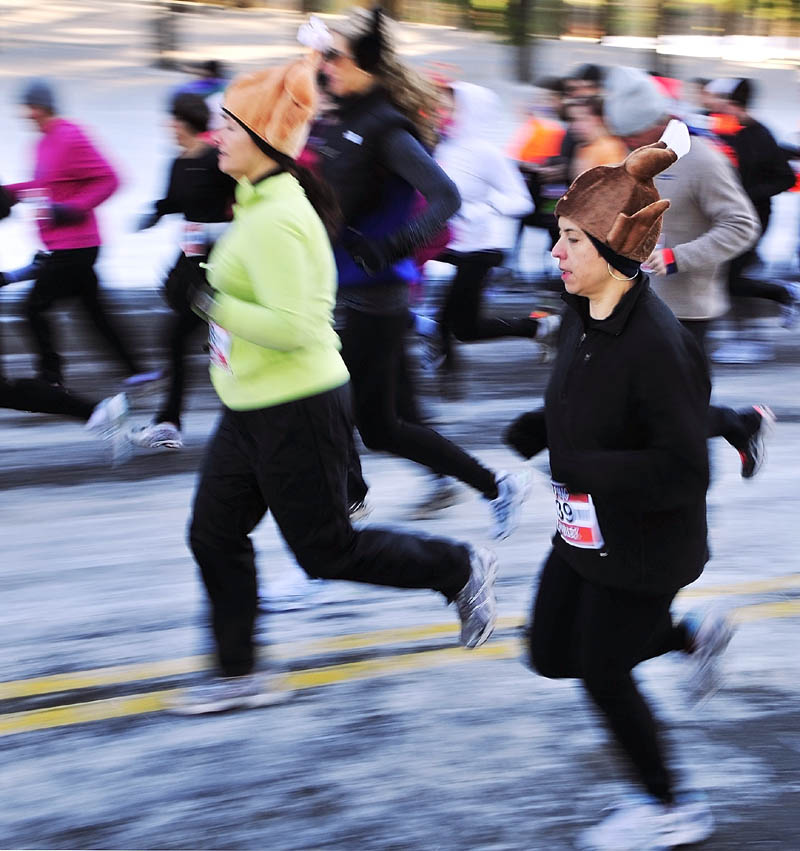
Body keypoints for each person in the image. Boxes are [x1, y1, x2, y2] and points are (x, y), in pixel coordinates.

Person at [173, 51, 498, 714]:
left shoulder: (281, 215)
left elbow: (295, 325)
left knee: (328, 551)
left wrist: (207, 302)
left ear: (263, 139)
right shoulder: (260, 198)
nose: (218, 137)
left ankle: (456, 567)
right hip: (249, 406)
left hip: (296, 407)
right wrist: (207, 256)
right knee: (212, 533)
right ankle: (238, 672)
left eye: (230, 127)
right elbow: (249, 261)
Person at [506, 137, 729, 850]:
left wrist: (586, 467)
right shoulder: (584, 312)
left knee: (602, 670)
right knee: (547, 650)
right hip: (585, 529)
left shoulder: (661, 345)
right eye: (557, 238)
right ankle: (687, 635)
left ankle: (671, 804)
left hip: (645, 545)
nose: (557, 255)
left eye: (571, 240)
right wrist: (538, 430)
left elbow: (683, 468)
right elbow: (587, 402)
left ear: (613, 248)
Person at [312, 7, 529, 536]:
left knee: (328, 411)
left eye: (333, 56)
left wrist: (392, 248)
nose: (325, 66)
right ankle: (496, 486)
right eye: (323, 56)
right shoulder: (335, 119)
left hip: (373, 300)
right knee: (378, 426)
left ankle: (340, 517)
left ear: (365, 63)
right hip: (337, 293)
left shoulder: (384, 126)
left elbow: (445, 195)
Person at [603, 66, 774, 478]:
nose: (627, 144)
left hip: (687, 310)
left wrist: (678, 257)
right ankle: (734, 428)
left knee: (672, 413)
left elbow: (741, 226)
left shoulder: (702, 160)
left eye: (632, 135)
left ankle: (693, 489)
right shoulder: (636, 158)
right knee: (639, 405)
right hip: (635, 301)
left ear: (658, 123)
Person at [2, 79, 156, 389]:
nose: (26, 114)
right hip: (63, 246)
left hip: (77, 245)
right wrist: (8, 193)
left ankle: (50, 377)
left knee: (32, 309)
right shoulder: (42, 143)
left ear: (41, 106)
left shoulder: (71, 135)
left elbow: (110, 179)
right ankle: (138, 371)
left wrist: (73, 208)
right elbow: (46, 189)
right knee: (95, 313)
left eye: (29, 107)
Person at [427, 81, 557, 378]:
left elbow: (520, 201)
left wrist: (481, 209)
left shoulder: (486, 152)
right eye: (443, 104)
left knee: (464, 327)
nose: (443, 111)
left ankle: (539, 326)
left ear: (471, 110)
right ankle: (438, 382)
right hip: (445, 245)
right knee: (443, 319)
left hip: (480, 248)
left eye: (452, 105)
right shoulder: (441, 146)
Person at [129, 92, 236, 449]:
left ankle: (178, 421)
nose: (167, 125)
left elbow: (240, 205)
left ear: (183, 123)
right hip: (189, 265)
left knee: (200, 341)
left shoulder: (214, 161)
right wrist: (154, 212)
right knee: (199, 340)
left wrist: (210, 231)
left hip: (218, 265)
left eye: (171, 119)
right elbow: (174, 200)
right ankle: (175, 420)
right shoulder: (178, 163)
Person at [710, 78, 800, 334]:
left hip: (753, 217)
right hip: (726, 215)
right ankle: (739, 332)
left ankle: (781, 294)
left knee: (729, 279)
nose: (716, 106)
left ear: (734, 104)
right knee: (724, 275)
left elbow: (785, 178)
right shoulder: (726, 131)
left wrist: (746, 195)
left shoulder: (760, 135)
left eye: (721, 101)